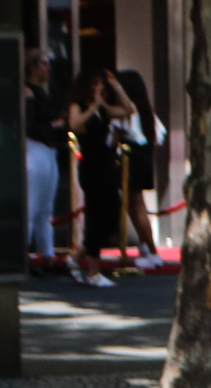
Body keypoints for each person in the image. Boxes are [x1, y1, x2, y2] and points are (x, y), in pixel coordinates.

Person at [66, 67, 135, 287]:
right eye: (94, 84)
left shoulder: (104, 109)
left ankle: (76, 258)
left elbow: (128, 108)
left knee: (109, 214)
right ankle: (93, 272)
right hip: (91, 166)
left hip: (106, 165)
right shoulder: (79, 107)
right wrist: (94, 105)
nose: (98, 88)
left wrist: (116, 85)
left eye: (100, 84)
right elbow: (75, 125)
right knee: (95, 216)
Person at [112, 68, 170, 272]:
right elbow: (159, 135)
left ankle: (153, 252)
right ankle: (146, 247)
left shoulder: (127, 112)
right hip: (145, 155)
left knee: (136, 207)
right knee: (135, 205)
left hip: (130, 157)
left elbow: (115, 138)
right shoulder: (146, 111)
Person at [23, 50, 66, 268]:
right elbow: (27, 125)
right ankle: (26, 254)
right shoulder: (28, 92)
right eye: (43, 63)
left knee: (45, 206)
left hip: (48, 150)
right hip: (35, 149)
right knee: (31, 204)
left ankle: (47, 254)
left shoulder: (43, 92)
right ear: (32, 66)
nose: (47, 68)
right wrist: (53, 126)